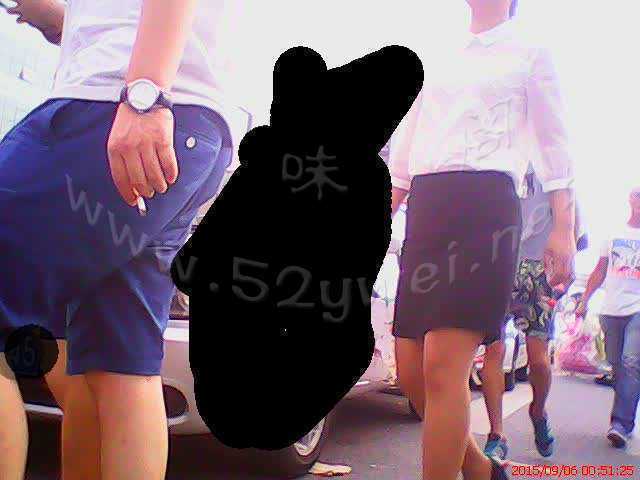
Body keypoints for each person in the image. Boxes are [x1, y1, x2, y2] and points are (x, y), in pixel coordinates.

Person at [0, 1, 244, 479]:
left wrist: (145, 93)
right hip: (192, 128)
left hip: (120, 107)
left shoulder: (137, 94)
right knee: (117, 362)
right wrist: (54, 17)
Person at [389, 0, 576, 478]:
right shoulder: (438, 51)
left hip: (485, 210)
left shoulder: (530, 50)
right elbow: (408, 141)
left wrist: (563, 226)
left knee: (443, 369)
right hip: (428, 206)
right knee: (411, 371)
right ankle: (479, 468)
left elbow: (554, 144)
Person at [480, 171, 587, 461]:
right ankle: (496, 434)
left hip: (541, 271)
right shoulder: (499, 169)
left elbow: (576, 233)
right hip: (500, 265)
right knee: (493, 349)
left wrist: (564, 270)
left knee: (538, 360)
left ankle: (538, 411)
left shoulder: (556, 174)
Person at [576, 187, 640, 449]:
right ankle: (628, 400)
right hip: (611, 309)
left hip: (638, 310)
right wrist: (584, 300)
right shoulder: (614, 232)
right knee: (618, 366)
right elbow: (599, 271)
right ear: (631, 200)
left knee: (630, 362)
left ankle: (621, 424)